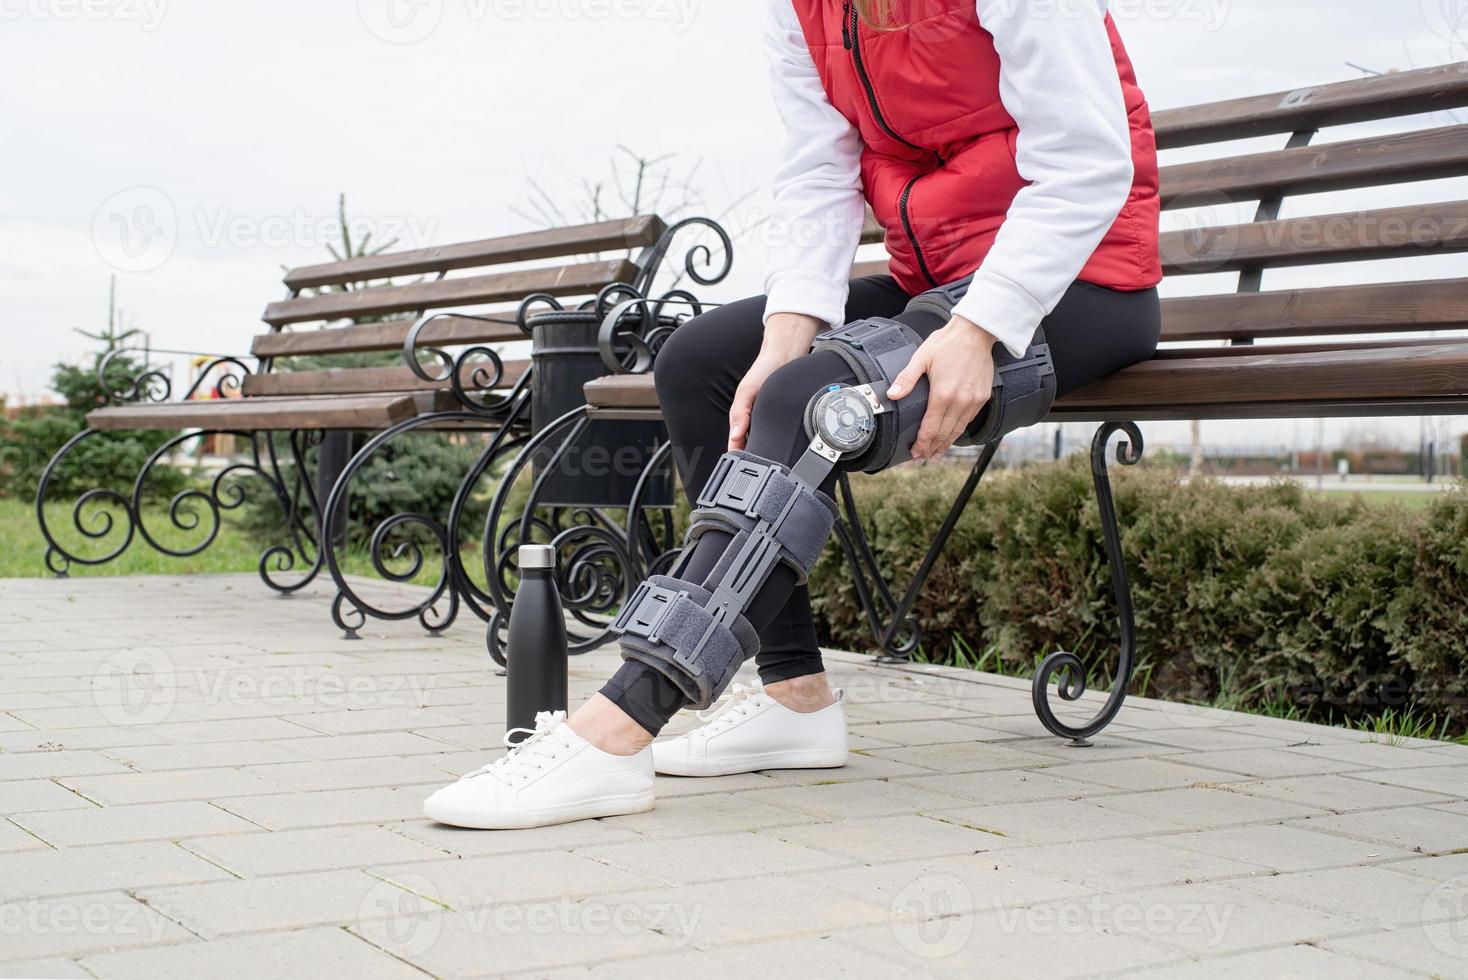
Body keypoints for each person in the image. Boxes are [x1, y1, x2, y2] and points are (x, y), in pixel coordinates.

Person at [424, 0, 1163, 830]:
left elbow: (1088, 157)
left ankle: (619, 726)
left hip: (1079, 283)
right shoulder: (802, 8)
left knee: (803, 402)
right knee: (706, 362)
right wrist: (785, 335)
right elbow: (820, 168)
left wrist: (980, 329)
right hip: (939, 285)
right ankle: (795, 699)